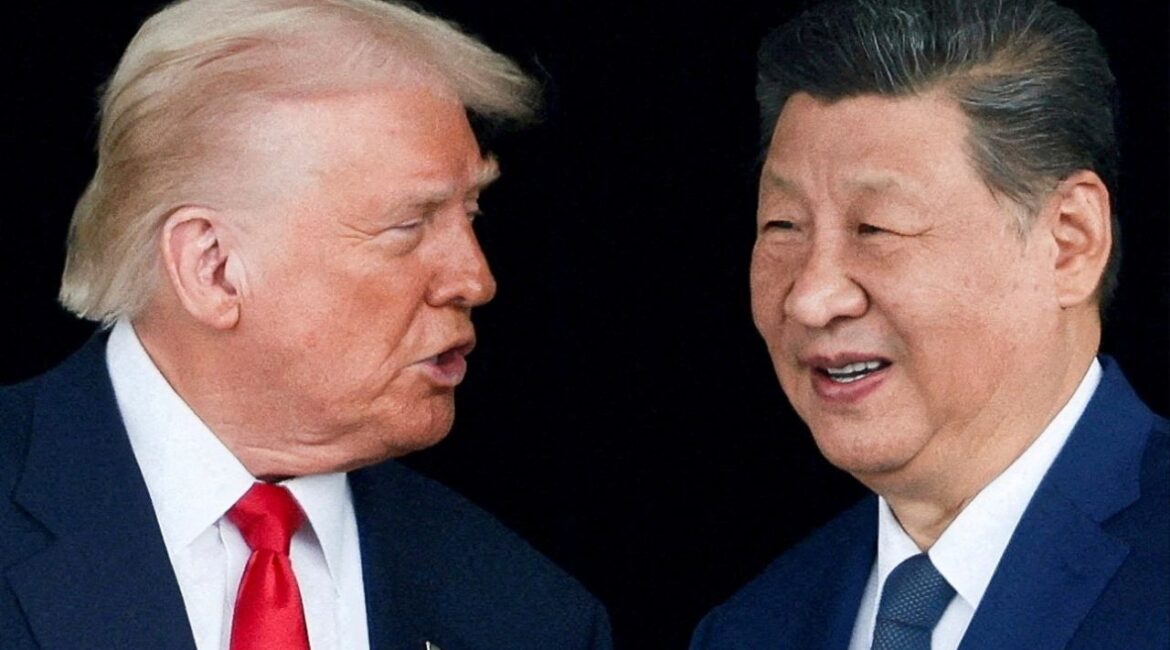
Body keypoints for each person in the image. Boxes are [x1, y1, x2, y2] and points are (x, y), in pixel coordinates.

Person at [0, 1, 612, 648]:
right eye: (409, 225)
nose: (475, 279)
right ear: (213, 268)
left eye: (472, 213)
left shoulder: (531, 616)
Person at [691, 0, 1168, 648]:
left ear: (1068, 243)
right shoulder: (752, 628)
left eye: (876, 227)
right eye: (783, 226)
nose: (812, 298)